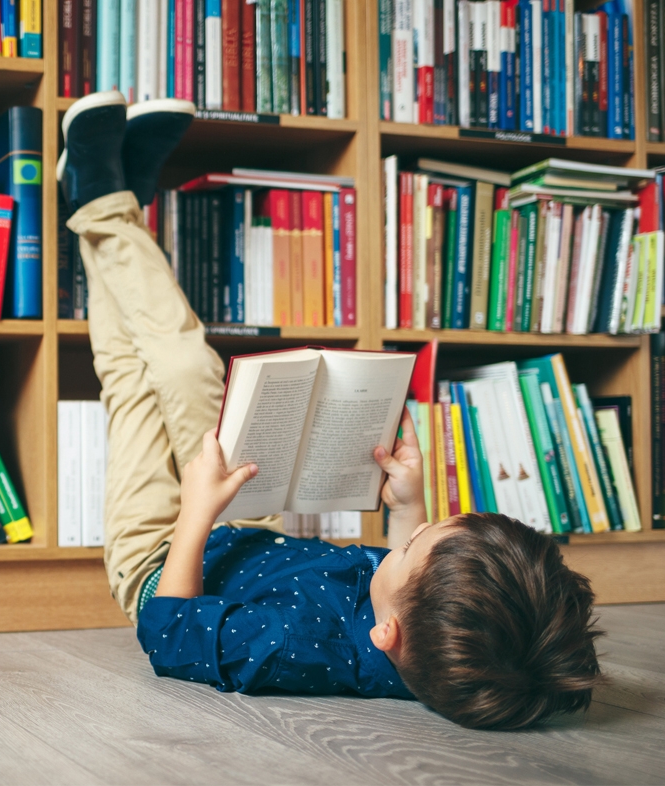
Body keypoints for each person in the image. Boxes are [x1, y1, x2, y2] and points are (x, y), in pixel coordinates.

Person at [59, 92, 604, 730]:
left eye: (408, 548)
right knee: (180, 366)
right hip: (244, 520)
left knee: (135, 376)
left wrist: (197, 512)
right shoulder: (435, 633)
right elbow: (413, 579)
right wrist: (408, 509)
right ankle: (103, 199)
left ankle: (103, 199)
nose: (401, 546)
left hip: (160, 553)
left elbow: (169, 634)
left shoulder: (289, 651)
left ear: (386, 635)